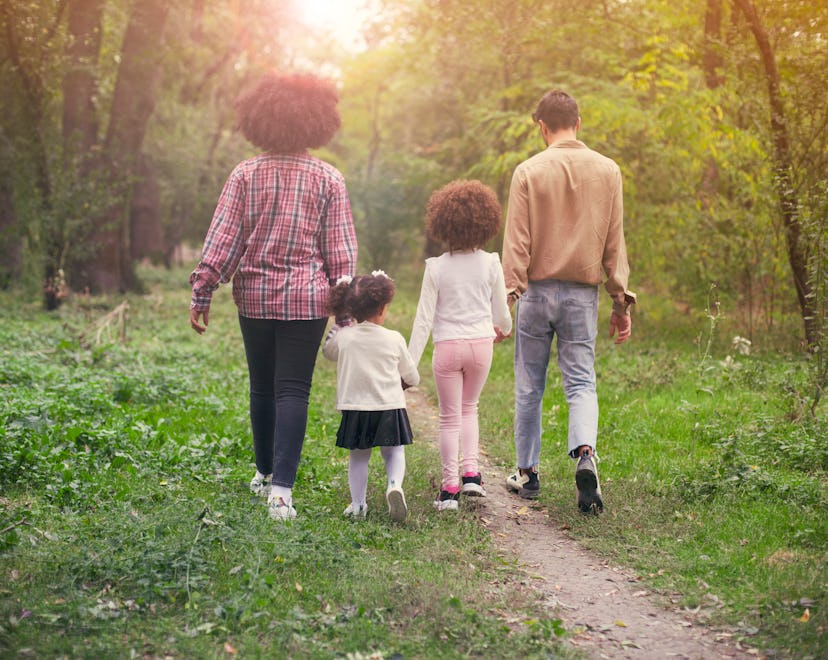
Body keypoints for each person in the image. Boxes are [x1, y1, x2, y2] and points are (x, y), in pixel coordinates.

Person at [189, 73, 357, 522]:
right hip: (307, 301)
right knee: (293, 392)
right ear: (319, 121)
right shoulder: (329, 179)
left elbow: (223, 240)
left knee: (262, 387)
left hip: (256, 298)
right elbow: (340, 254)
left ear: (259, 118)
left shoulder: (245, 174)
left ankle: (264, 474)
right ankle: (281, 493)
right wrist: (345, 313)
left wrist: (203, 290)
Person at [501, 89, 635, 514]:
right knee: (581, 382)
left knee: (529, 385)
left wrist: (506, 299)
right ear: (578, 122)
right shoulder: (609, 170)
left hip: (536, 295)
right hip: (582, 296)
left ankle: (528, 473)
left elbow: (516, 245)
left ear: (542, 126)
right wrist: (620, 301)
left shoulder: (527, 172)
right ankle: (584, 455)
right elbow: (615, 243)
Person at [408, 180, 513, 511]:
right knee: (471, 409)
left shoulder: (436, 267)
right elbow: (501, 313)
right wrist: (504, 329)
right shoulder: (491, 263)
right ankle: (472, 476)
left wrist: (408, 365)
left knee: (449, 417)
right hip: (482, 344)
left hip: (448, 347)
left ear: (443, 223)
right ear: (486, 222)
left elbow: (424, 319)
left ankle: (449, 490)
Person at [323, 271, 420, 522]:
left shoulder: (344, 337)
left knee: (359, 457)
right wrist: (407, 382)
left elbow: (328, 351)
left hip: (355, 407)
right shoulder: (393, 338)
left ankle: (358, 505)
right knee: (394, 451)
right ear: (383, 308)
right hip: (389, 406)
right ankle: (394, 485)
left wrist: (339, 323)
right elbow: (413, 375)